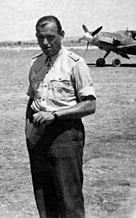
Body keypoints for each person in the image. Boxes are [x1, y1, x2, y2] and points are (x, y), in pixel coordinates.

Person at [25, 15, 96, 218]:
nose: (45, 43)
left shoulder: (75, 63)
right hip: (39, 134)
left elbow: (90, 105)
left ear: (62, 35)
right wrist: (29, 131)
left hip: (65, 134)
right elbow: (32, 99)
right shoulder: (36, 63)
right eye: (40, 37)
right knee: (44, 195)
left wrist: (55, 115)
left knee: (69, 197)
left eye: (51, 37)